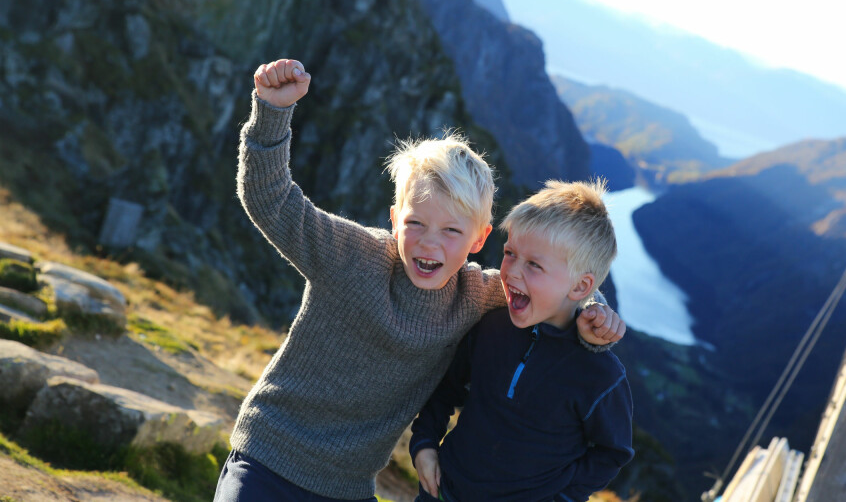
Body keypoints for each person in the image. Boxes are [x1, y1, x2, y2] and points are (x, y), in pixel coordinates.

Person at [214, 59, 625, 502]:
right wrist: (271, 111)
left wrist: (593, 311)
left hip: (347, 489)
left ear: (479, 239)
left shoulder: (481, 294)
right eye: (416, 224)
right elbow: (270, 200)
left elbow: (556, 287)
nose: (430, 244)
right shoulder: (351, 256)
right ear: (394, 220)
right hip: (267, 460)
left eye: (451, 231)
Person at [409, 180, 634, 502]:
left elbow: (611, 453)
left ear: (580, 286)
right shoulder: (491, 326)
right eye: (510, 253)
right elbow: (446, 388)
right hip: (442, 492)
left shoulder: (602, 376)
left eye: (534, 265)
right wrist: (425, 444)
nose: (512, 271)